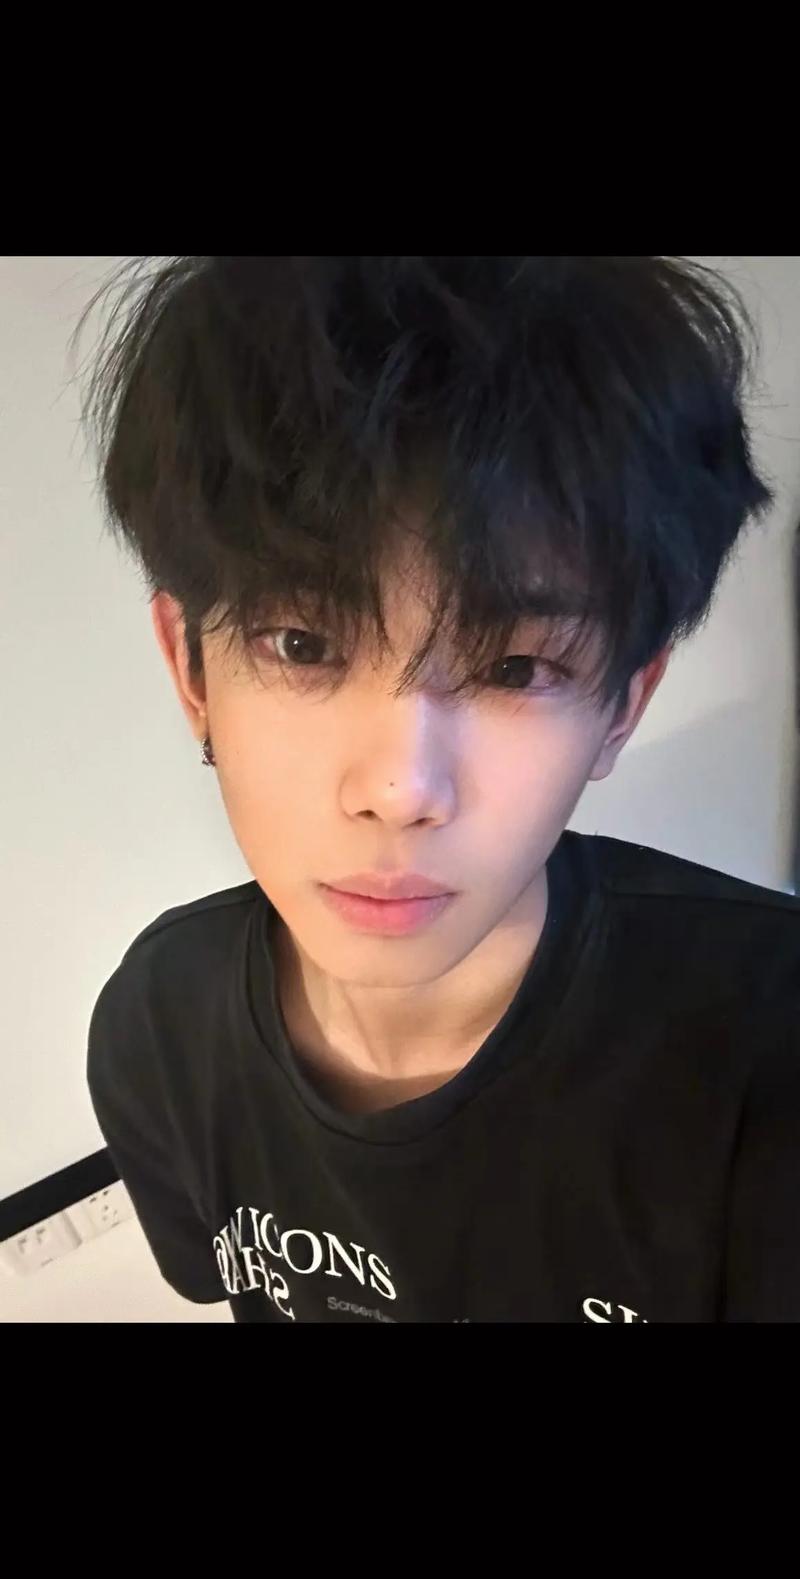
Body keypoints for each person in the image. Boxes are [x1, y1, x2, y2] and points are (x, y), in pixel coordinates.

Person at [81, 256, 799, 1323]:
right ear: (191, 671)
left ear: (621, 705)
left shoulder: (761, 1055)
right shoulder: (157, 1027)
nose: (400, 789)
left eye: (515, 667)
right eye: (302, 642)